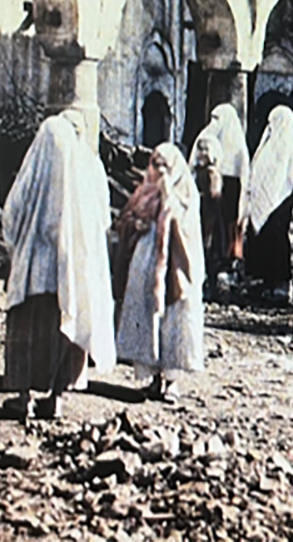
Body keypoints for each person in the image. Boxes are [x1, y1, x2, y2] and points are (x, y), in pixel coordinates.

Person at [2, 114, 115, 420]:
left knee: (28, 328)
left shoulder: (35, 166)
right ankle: (57, 398)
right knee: (67, 326)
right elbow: (103, 220)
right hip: (72, 271)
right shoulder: (88, 170)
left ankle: (24, 397)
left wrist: (15, 240)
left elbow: (12, 211)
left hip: (35, 267)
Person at [113, 143, 205, 402]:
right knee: (147, 316)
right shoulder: (145, 190)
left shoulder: (186, 190)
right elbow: (126, 218)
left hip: (176, 265)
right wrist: (137, 225)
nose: (159, 170)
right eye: (155, 164)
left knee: (175, 319)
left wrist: (169, 203)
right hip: (147, 259)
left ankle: (172, 380)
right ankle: (152, 376)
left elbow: (188, 228)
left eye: (165, 165)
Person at [245, 105, 293, 303]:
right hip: (266, 201)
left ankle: (282, 284)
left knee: (278, 241)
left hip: (281, 202)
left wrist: (286, 197)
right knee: (265, 239)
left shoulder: (289, 147)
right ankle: (268, 280)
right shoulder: (268, 146)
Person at [189, 104, 250, 275]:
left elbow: (244, 174)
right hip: (209, 188)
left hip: (230, 189)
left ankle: (225, 262)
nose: (215, 123)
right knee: (211, 226)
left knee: (226, 227)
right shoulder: (206, 138)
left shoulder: (238, 145)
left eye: (218, 119)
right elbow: (192, 165)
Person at [190, 135, 226, 292]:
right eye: (200, 149)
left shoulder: (212, 173)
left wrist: (201, 195)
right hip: (202, 212)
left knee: (210, 246)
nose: (202, 153)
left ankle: (211, 284)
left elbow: (214, 194)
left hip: (210, 213)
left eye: (206, 150)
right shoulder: (199, 171)